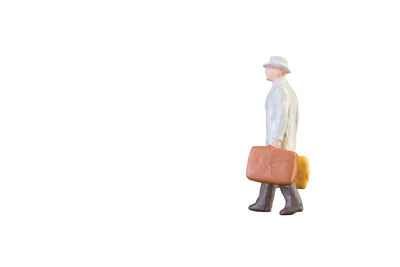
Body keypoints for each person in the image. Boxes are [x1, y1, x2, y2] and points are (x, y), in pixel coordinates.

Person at [249, 56, 303, 215]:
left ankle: (294, 202)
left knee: (280, 169)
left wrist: (277, 139)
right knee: (270, 169)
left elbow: (281, 116)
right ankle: (264, 202)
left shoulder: (280, 91)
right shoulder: (285, 89)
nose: (266, 70)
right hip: (280, 138)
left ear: (278, 71)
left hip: (279, 139)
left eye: (269, 67)